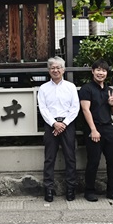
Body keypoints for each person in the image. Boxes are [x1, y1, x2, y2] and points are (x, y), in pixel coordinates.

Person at [79, 59, 113, 202]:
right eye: (98, 70)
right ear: (92, 71)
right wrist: (93, 130)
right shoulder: (86, 89)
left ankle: (112, 190)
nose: (101, 73)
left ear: (107, 73)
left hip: (108, 128)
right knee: (93, 161)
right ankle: (89, 191)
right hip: (93, 128)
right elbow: (85, 109)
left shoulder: (110, 90)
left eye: (103, 70)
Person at [37, 57, 80, 202]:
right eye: (52, 68)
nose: (55, 70)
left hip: (68, 124)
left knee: (70, 157)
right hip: (51, 126)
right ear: (49, 70)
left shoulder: (71, 87)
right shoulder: (43, 88)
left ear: (63, 69)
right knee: (49, 159)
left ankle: (70, 188)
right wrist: (54, 124)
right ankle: (48, 189)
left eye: (58, 67)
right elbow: (43, 109)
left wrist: (64, 124)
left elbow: (75, 108)